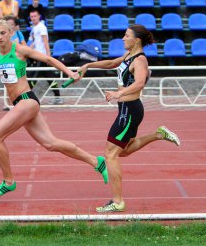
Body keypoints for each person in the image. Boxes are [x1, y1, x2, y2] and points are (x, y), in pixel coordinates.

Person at [0, 20, 108, 197]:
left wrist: (70, 73)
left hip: (27, 100)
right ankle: (97, 162)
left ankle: (8, 182)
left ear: (10, 33)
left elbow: (48, 59)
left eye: (3, 33)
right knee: (51, 143)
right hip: (21, 105)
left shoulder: (19, 49)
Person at [77, 24, 181, 213]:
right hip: (126, 109)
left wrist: (120, 92)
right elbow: (111, 63)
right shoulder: (128, 55)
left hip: (129, 111)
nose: (123, 38)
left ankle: (118, 202)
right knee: (123, 151)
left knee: (111, 154)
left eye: (126, 36)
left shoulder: (140, 60)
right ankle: (159, 135)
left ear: (136, 40)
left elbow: (140, 82)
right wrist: (88, 65)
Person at [28, 9, 63, 105]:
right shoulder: (34, 28)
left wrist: (48, 57)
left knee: (33, 77)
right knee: (50, 77)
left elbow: (45, 42)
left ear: (39, 16)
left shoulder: (42, 27)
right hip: (37, 56)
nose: (33, 18)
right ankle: (58, 97)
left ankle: (25, 97)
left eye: (35, 16)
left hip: (42, 56)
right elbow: (34, 43)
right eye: (31, 17)